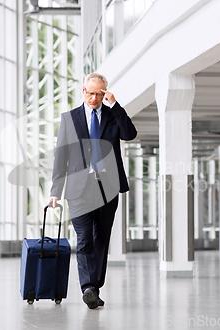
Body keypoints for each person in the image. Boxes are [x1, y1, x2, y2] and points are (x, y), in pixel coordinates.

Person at [48, 73, 137, 309]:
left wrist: (115, 106)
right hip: (79, 190)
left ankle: (94, 287)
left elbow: (130, 134)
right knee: (85, 238)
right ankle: (87, 287)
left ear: (104, 93)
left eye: (99, 94)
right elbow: (61, 156)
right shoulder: (69, 119)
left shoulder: (111, 115)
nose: (93, 98)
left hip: (107, 189)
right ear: (83, 90)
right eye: (90, 92)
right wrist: (55, 190)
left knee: (101, 239)